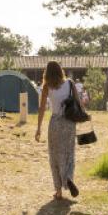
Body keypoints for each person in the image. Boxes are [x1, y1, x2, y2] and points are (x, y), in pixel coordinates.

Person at [35, 60, 79, 200]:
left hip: (55, 124)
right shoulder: (70, 83)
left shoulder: (47, 87)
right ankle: (69, 178)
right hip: (69, 123)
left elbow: (42, 108)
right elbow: (78, 103)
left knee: (54, 156)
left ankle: (58, 190)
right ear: (61, 71)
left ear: (46, 73)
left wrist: (38, 128)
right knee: (69, 153)